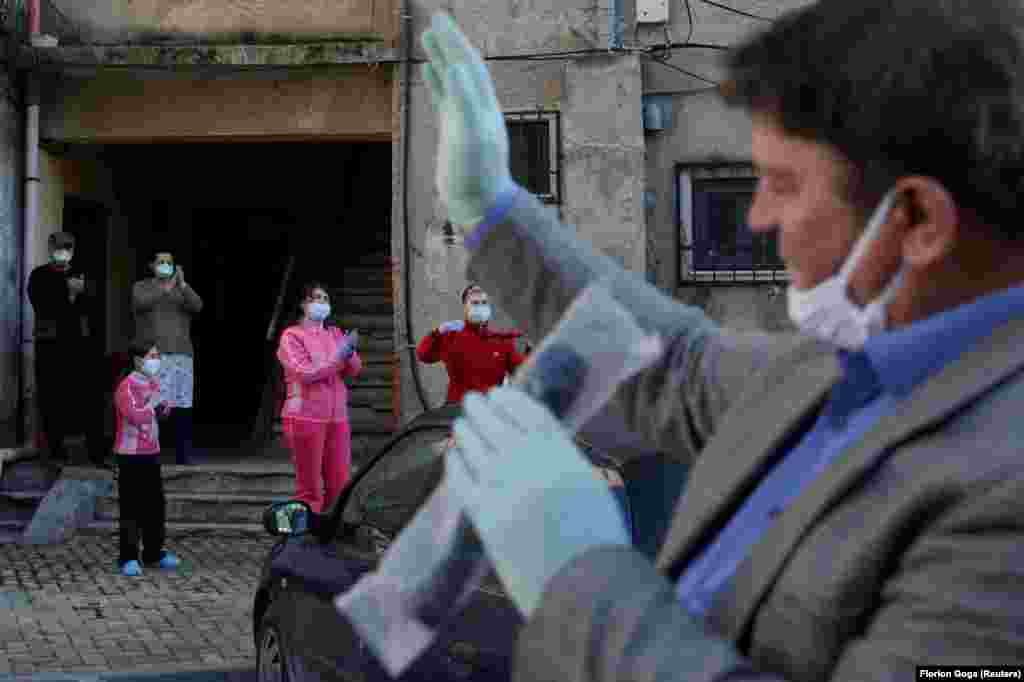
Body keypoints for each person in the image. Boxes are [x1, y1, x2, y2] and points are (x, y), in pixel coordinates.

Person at [418, 5, 1024, 680]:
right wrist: (490, 210)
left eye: (784, 184)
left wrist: (580, 581)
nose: (758, 215)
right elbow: (670, 361)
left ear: (918, 220)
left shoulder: (1005, 500)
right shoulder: (846, 363)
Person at [277, 283, 362, 513]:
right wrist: (338, 357)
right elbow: (305, 373)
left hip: (337, 417)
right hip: (305, 416)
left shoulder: (334, 334)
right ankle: (307, 535)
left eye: (325, 298)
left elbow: (352, 371)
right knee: (310, 487)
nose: (322, 303)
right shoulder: (291, 336)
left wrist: (350, 352)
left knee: (340, 482)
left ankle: (333, 530)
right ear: (304, 304)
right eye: (316, 298)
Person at [26, 230, 107, 468]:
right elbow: (42, 306)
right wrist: (70, 295)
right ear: (50, 249)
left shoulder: (82, 274)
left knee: (88, 396)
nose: (63, 251)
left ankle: (95, 453)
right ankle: (56, 451)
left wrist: (82, 293)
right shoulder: (39, 275)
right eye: (59, 247)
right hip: (50, 345)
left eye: (68, 247)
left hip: (80, 345)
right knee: (52, 397)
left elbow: (94, 305)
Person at [113, 337, 180, 577]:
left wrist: (165, 408)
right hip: (130, 456)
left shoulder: (154, 384)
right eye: (152, 357)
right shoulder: (126, 386)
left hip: (151, 452)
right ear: (138, 360)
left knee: (155, 506)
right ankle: (128, 557)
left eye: (157, 357)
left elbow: (156, 415)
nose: (156, 361)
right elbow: (134, 415)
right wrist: (153, 405)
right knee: (132, 507)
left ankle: (154, 553)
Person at [132, 250, 203, 465]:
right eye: (160, 262)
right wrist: (166, 288)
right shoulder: (142, 286)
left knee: (181, 404)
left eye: (169, 262)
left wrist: (181, 285)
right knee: (152, 403)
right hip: (153, 352)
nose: (165, 265)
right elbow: (141, 303)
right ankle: (148, 452)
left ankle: (183, 454)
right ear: (152, 266)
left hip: (181, 353)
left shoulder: (181, 287)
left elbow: (197, 305)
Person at [416, 284, 527, 404]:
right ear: (465, 308)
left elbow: (524, 372)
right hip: (457, 410)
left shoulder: (501, 341)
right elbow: (423, 355)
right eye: (474, 303)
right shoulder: (451, 336)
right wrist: (437, 332)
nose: (480, 307)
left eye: (484, 302)